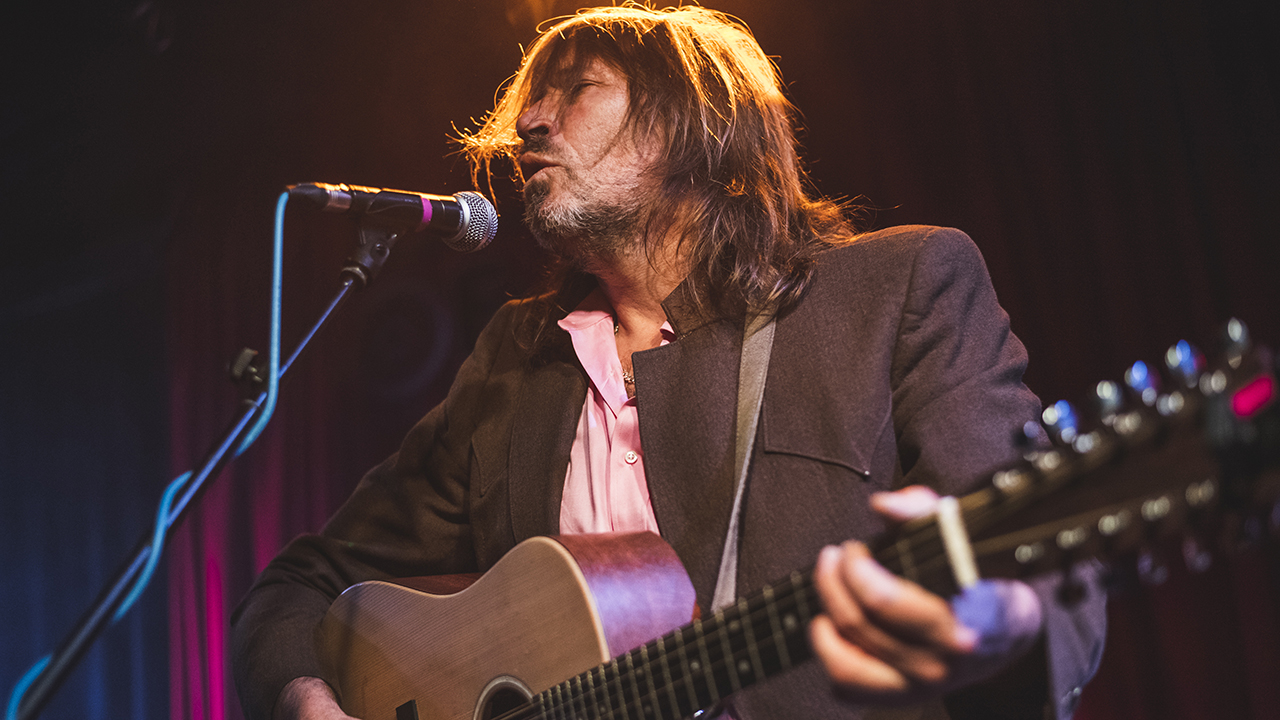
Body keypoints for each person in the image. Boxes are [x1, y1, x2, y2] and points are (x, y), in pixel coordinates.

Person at [231, 5, 1106, 720]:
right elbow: (302, 586)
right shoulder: (514, 358)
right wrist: (310, 701)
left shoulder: (896, 289)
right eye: (535, 104)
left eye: (576, 92)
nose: (530, 124)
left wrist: (1009, 621)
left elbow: (1046, 567)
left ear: (695, 122)